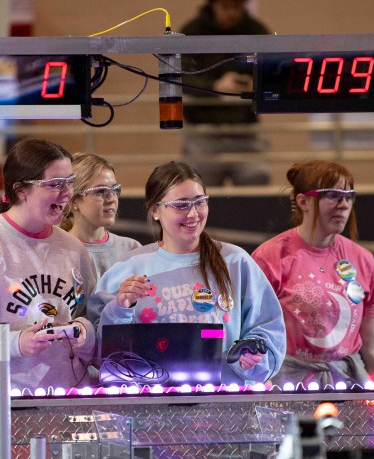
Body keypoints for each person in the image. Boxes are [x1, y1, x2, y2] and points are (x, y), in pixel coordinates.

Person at [89, 161, 286, 384]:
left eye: (199, 202)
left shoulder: (234, 261)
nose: (193, 214)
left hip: (224, 405)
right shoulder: (127, 269)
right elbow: (99, 353)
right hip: (150, 408)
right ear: (155, 210)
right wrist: (119, 308)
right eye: (181, 205)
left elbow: (268, 331)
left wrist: (249, 359)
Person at [0, 138, 97, 395]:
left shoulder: (73, 249)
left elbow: (92, 321)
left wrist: (84, 333)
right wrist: (16, 343)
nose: (67, 193)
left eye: (70, 182)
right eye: (55, 184)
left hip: (67, 402)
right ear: (21, 190)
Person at [252, 160, 374, 388]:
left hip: (348, 381)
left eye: (348, 196)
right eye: (333, 195)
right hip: (287, 382)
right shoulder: (270, 257)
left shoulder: (363, 259)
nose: (343, 204)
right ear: (303, 201)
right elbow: (253, 339)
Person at [180, 0, 270, 186]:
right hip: (203, 130)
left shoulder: (256, 30)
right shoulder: (191, 32)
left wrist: (257, 84)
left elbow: (272, 70)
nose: (231, 13)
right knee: (200, 192)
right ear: (213, 5)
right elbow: (179, 77)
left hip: (245, 129)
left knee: (256, 189)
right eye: (225, 7)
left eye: (236, 7)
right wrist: (215, 86)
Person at [60, 152, 141, 286]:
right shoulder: (58, 251)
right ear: (74, 200)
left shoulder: (132, 249)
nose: (111, 199)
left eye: (115, 190)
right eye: (100, 191)